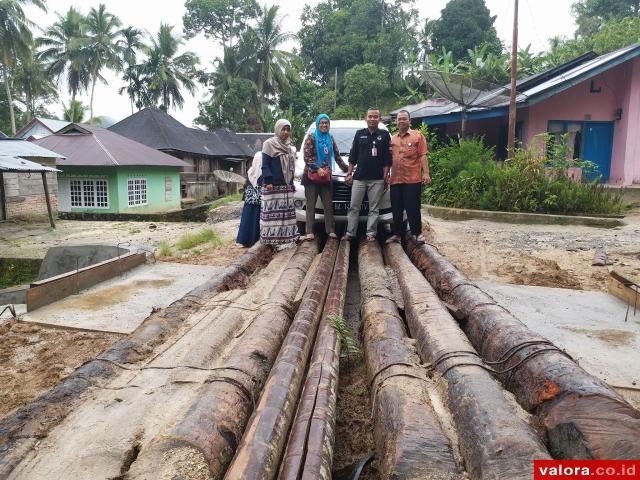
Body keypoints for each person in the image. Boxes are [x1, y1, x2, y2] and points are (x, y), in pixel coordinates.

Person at [343, 107, 392, 241]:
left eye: (375, 116)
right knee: (354, 207)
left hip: (377, 179)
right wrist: (349, 173)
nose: (372, 119)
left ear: (379, 119)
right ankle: (350, 233)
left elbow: (388, 158)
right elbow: (353, 156)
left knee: (374, 208)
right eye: (370, 116)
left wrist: (386, 176)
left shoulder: (384, 135)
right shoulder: (359, 134)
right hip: (359, 178)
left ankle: (371, 233)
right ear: (366, 119)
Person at [300, 114, 349, 241]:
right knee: (311, 204)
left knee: (328, 204)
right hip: (311, 177)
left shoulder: (330, 138)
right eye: (321, 123)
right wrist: (317, 168)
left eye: (326, 123)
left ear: (329, 125)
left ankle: (330, 230)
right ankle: (309, 231)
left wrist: (348, 169)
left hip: (326, 177)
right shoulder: (311, 137)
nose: (324, 125)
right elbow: (307, 157)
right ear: (317, 124)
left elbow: (337, 157)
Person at [386, 110, 431, 244]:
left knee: (413, 208)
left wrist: (426, 173)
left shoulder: (417, 136)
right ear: (396, 121)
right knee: (396, 209)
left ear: (409, 121)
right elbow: (388, 159)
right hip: (395, 179)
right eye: (399, 119)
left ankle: (417, 233)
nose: (401, 121)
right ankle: (397, 234)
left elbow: (423, 155)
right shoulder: (392, 139)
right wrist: (386, 175)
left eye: (404, 119)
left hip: (412, 179)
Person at [260, 119, 299, 245]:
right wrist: (268, 181)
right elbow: (265, 165)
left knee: (285, 215)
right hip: (273, 186)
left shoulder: (290, 147)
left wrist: (292, 183)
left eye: (288, 129)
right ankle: (271, 240)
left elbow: (291, 168)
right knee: (272, 215)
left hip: (286, 186)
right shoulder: (269, 144)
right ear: (277, 129)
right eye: (283, 129)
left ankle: (287, 239)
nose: (286, 132)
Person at [236, 151, 262, 247]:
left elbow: (246, 186)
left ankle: (244, 240)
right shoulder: (263, 172)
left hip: (249, 201)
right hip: (259, 201)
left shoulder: (250, 171)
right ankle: (255, 240)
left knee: (247, 220)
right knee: (256, 220)